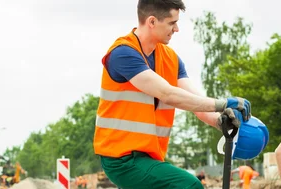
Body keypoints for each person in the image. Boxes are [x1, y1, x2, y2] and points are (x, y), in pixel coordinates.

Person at [93, 0, 253, 188]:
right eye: (172, 23)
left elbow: (197, 103)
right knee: (189, 185)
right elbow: (167, 93)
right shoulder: (123, 54)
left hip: (150, 157)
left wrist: (220, 121)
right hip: (122, 159)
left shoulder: (171, 59)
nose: (176, 29)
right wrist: (223, 103)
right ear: (152, 22)